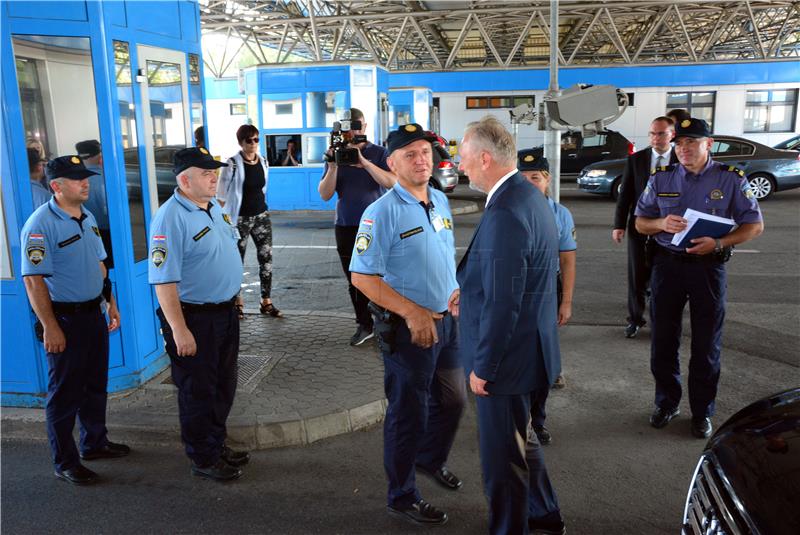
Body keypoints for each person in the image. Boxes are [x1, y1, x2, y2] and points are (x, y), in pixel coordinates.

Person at [350, 124, 465, 526]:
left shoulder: (439, 201)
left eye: (426, 153)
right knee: (408, 413)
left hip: (446, 324)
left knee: (453, 400)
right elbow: (362, 277)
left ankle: (429, 460)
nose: (422, 160)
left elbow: (443, 256)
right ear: (392, 162)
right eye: (411, 154)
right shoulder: (380, 212)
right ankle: (401, 494)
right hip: (409, 331)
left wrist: (455, 291)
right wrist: (412, 313)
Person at [457, 117, 565, 535]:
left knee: (502, 463)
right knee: (525, 443)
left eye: (464, 159)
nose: (461, 166)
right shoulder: (529, 195)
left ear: (485, 158)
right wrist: (467, 292)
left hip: (506, 363)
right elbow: (519, 274)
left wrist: (484, 367)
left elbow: (505, 303)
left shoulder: (504, 211)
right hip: (531, 351)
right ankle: (545, 514)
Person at [634, 118, 763, 439]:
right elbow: (639, 222)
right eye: (679, 144)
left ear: (709, 144)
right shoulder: (661, 177)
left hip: (708, 267)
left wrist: (719, 243)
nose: (684, 149)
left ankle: (702, 411)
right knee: (663, 339)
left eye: (692, 143)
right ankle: (666, 403)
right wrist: (661, 223)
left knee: (706, 344)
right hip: (667, 266)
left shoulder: (730, 179)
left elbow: (754, 225)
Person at [20, 155, 127, 486]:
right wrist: (51, 326)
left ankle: (94, 443)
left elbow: (100, 264)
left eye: (86, 178)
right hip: (65, 319)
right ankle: (65, 461)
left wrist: (110, 303)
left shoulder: (88, 215)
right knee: (65, 392)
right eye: (77, 179)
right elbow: (33, 281)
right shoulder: (40, 225)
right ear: (56, 186)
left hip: (93, 313)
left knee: (95, 384)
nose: (86, 183)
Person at [149, 147, 250, 481]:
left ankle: (216, 443)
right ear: (183, 179)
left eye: (214, 172)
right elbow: (164, 281)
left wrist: (233, 295)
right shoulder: (170, 217)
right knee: (198, 389)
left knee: (224, 385)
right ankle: (203, 457)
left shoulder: (213, 209)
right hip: (194, 319)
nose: (214, 177)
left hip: (224, 313)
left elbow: (223, 254)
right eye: (206, 173)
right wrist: (179, 330)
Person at [318, 107, 396, 346]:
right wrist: (332, 167)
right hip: (346, 225)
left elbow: (393, 182)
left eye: (357, 125)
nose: (354, 130)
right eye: (349, 126)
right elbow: (324, 194)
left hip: (376, 226)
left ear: (365, 126)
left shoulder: (380, 152)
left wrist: (365, 163)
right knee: (355, 279)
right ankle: (364, 324)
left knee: (380, 277)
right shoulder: (337, 155)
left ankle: (386, 323)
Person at [518, 151, 576, 446]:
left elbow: (567, 260)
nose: (529, 184)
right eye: (522, 178)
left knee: (543, 361)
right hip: (513, 289)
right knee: (516, 359)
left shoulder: (560, 214)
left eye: (535, 178)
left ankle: (537, 421)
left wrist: (565, 301)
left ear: (547, 180)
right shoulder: (505, 210)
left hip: (546, 290)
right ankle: (518, 421)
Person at [612, 117, 678, 338]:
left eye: (660, 134)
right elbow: (626, 194)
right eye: (651, 133)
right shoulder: (637, 160)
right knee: (636, 275)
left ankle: (663, 320)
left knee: (667, 275)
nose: (655, 138)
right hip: (639, 226)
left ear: (672, 135)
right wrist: (619, 225)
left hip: (671, 227)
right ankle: (635, 319)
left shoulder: (682, 159)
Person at [217, 124, 281, 319]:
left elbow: (263, 188)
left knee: (266, 259)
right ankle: (237, 302)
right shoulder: (232, 164)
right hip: (239, 219)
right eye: (248, 140)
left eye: (256, 139)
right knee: (237, 262)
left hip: (261, 216)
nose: (253, 144)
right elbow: (220, 195)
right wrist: (222, 222)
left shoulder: (263, 162)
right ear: (241, 142)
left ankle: (266, 301)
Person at [75, 140, 112, 267]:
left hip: (81, 232)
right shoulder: (106, 178)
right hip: (106, 231)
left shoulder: (73, 179)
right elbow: (109, 208)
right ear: (99, 157)